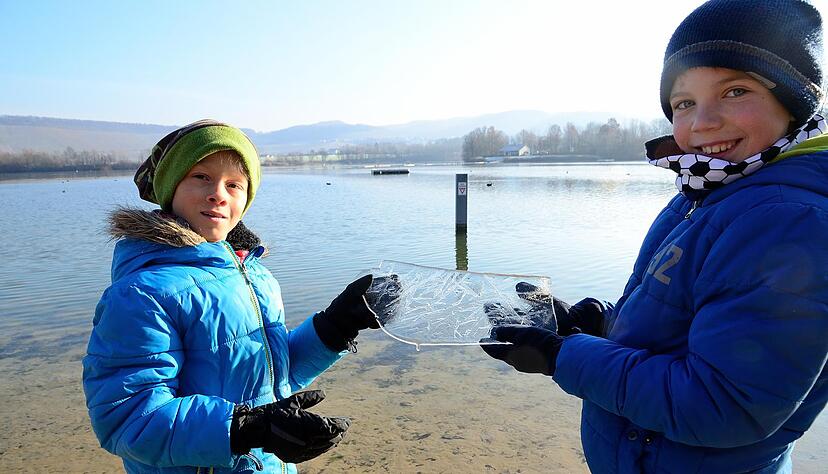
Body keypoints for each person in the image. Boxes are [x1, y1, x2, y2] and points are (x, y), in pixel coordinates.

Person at [481, 1, 828, 472]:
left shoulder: (790, 222)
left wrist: (561, 356)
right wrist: (599, 324)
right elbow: (684, 321)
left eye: (735, 91)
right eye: (683, 103)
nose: (702, 122)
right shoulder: (711, 191)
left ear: (795, 103)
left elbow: (723, 406)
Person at [82, 119, 383, 473]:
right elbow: (127, 417)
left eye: (234, 184)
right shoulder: (142, 294)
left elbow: (274, 378)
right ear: (170, 188)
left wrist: (336, 327)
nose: (218, 194)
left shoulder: (256, 276)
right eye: (201, 177)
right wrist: (246, 428)